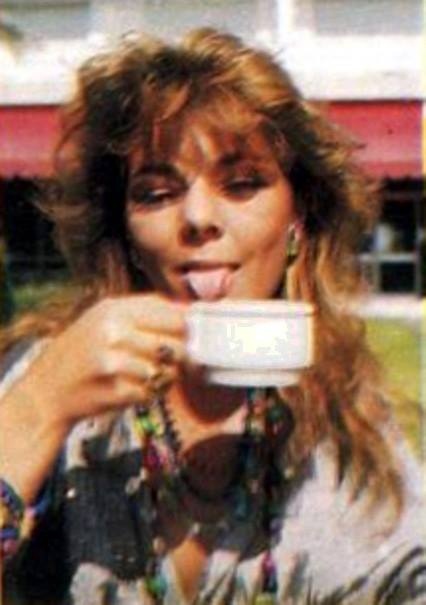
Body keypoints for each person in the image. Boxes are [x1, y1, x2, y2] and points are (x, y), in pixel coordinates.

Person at [0, 28, 424, 605]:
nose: (198, 217)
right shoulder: (53, 377)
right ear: (125, 233)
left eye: (242, 184)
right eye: (156, 194)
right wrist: (40, 405)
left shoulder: (352, 419)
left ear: (297, 217)